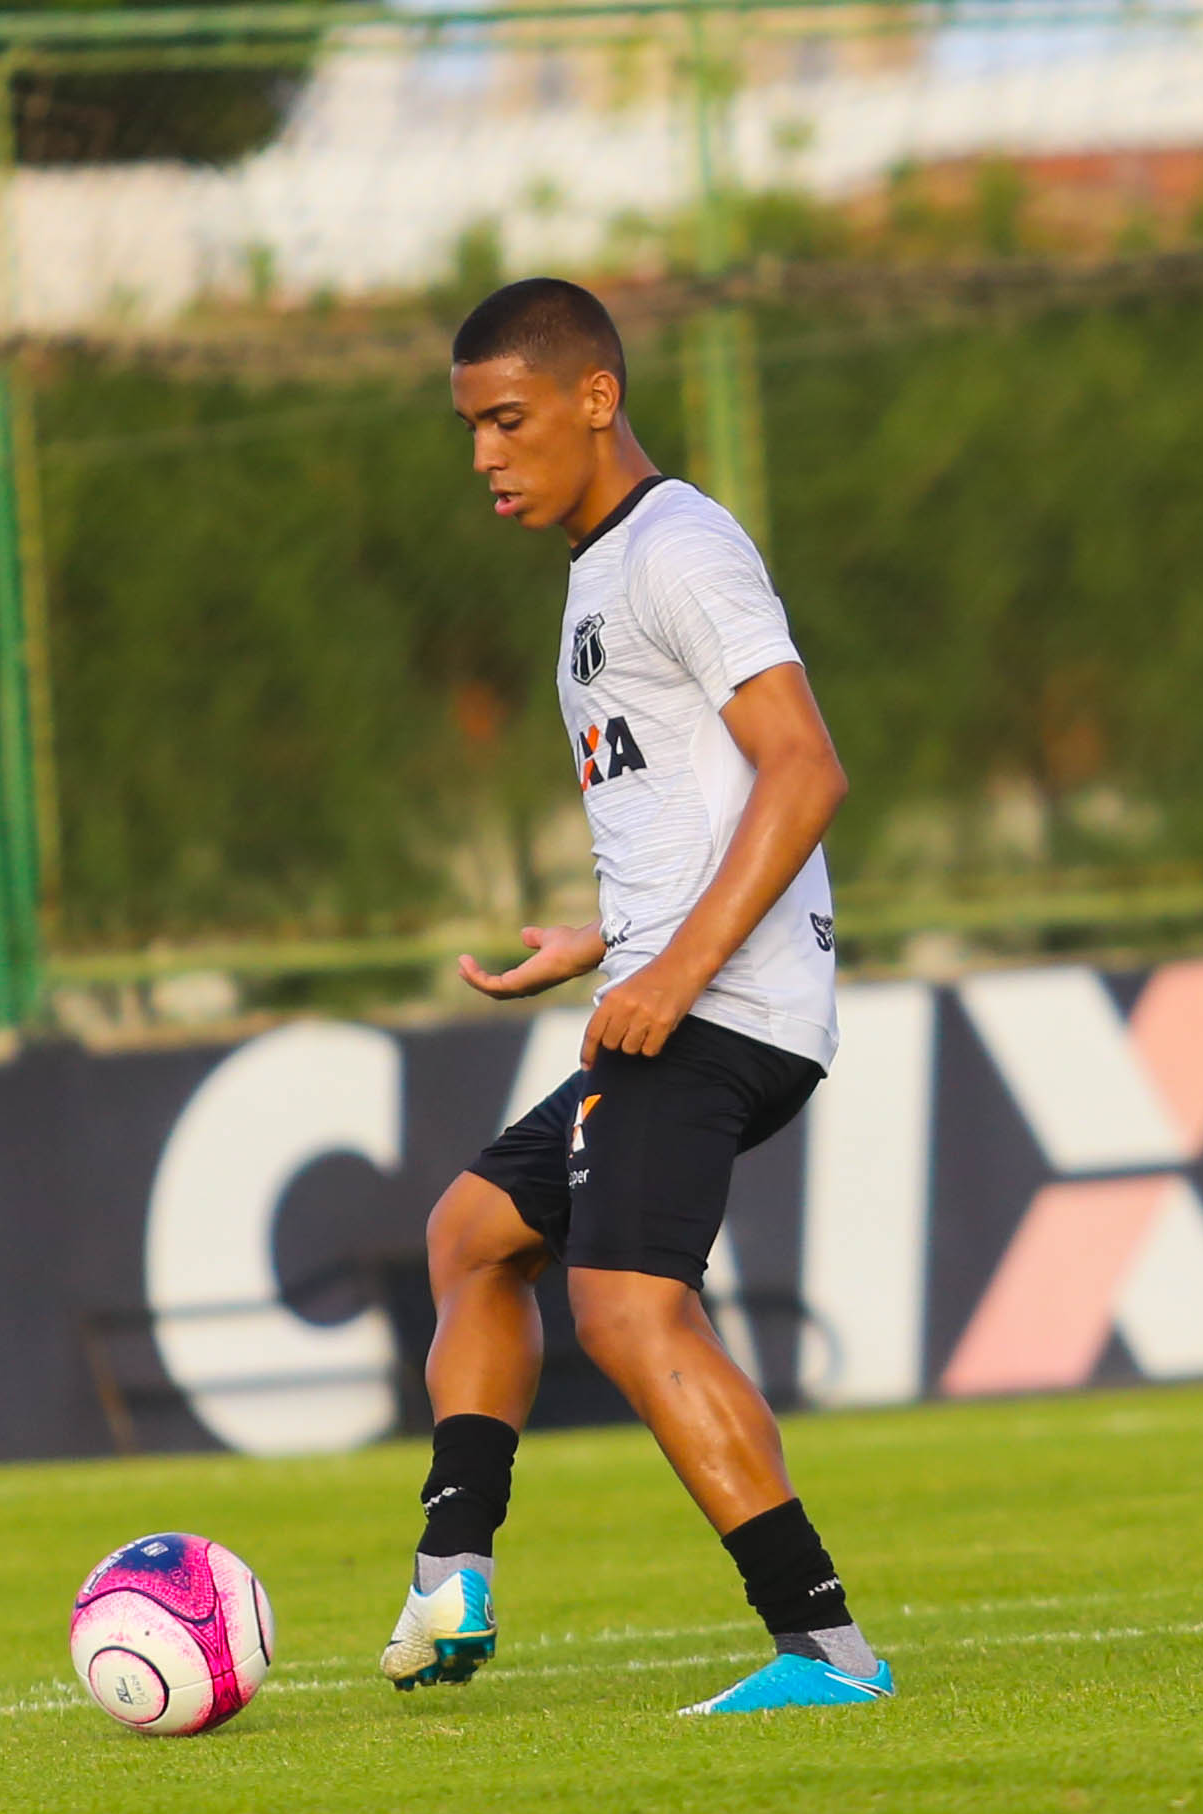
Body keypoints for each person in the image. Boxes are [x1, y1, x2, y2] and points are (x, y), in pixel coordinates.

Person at [377, 278, 888, 1716]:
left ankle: (825, 1649)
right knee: (475, 1238)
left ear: (596, 398)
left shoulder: (680, 547)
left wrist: (670, 966)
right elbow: (699, 805)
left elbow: (804, 767)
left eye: (508, 419)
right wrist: (604, 936)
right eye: (471, 426)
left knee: (626, 1309)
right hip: (672, 987)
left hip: (720, 1005)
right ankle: (450, 1573)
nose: (484, 452)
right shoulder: (601, 569)